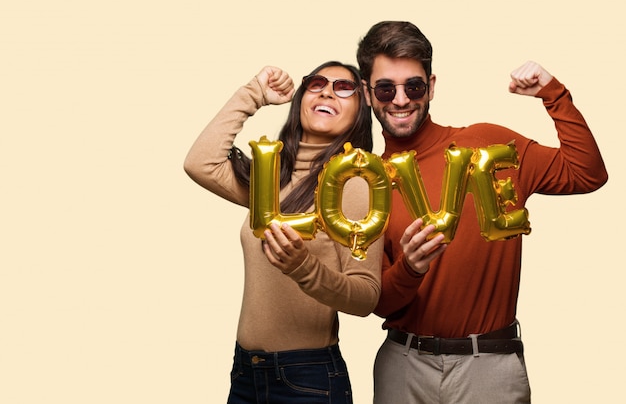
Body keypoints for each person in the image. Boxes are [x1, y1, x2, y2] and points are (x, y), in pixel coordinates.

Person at [356, 21, 608, 404]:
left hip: (488, 365)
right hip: (403, 365)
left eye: (414, 86)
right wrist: (410, 267)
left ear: (432, 86)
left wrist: (554, 94)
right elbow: (377, 303)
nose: (401, 100)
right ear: (368, 93)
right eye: (386, 88)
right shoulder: (366, 184)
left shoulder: (488, 145)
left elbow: (587, 173)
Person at [184, 61, 384, 404]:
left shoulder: (356, 185)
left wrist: (303, 267)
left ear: (360, 112)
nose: (326, 91)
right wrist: (254, 93)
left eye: (344, 87)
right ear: (301, 99)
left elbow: (366, 296)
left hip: (307, 379)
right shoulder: (270, 180)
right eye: (317, 83)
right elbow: (200, 163)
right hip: (246, 372)